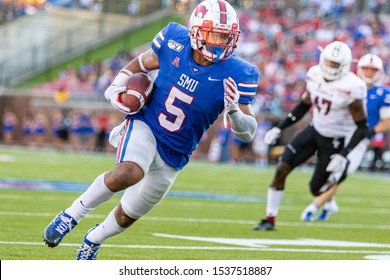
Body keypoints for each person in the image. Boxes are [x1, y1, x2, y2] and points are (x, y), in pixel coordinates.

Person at [43, 0, 259, 260]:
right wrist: (118, 84)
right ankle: (71, 215)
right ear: (195, 30)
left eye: (226, 37)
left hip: (176, 151)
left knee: (128, 214)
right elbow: (143, 63)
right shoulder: (173, 39)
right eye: (214, 34)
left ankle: (93, 239)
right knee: (129, 172)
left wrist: (234, 111)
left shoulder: (240, 73)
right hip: (147, 124)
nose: (220, 42)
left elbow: (247, 133)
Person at [252, 41, 368, 231]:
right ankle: (269, 219)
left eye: (335, 64)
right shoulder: (314, 74)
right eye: (328, 62)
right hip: (315, 129)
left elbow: (362, 128)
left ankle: (332, 192)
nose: (330, 67)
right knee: (282, 168)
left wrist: (343, 154)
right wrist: (280, 127)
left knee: (315, 189)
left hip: (336, 139)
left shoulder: (353, 86)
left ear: (345, 66)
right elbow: (305, 104)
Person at [300, 53, 390, 221]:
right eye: (366, 68)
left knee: (340, 171)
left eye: (373, 69)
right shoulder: (348, 85)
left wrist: (370, 132)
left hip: (358, 140)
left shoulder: (382, 93)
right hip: (336, 134)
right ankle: (329, 203)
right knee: (325, 171)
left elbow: (387, 121)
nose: (369, 72)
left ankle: (315, 205)